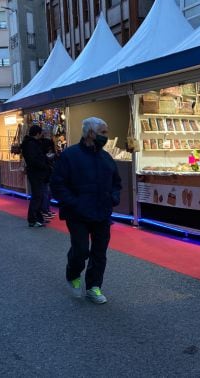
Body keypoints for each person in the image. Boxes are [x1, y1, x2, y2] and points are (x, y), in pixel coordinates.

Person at [50, 117, 121, 304]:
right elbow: (57, 184)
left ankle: (93, 287)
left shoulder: (106, 158)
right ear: (91, 133)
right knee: (81, 250)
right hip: (77, 214)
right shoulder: (70, 155)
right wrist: (74, 203)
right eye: (103, 132)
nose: (107, 136)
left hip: (102, 212)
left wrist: (113, 198)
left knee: (99, 252)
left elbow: (116, 183)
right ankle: (73, 273)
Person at [21, 125, 51, 227]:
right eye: (41, 132)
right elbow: (34, 160)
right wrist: (44, 165)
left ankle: (38, 218)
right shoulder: (31, 144)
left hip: (36, 173)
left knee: (39, 196)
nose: (42, 134)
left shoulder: (31, 143)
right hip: (36, 173)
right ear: (37, 133)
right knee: (38, 196)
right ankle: (33, 219)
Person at [39, 129, 56, 219]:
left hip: (47, 172)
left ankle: (46, 210)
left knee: (47, 192)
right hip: (46, 172)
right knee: (46, 192)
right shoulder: (46, 144)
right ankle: (45, 210)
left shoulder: (41, 143)